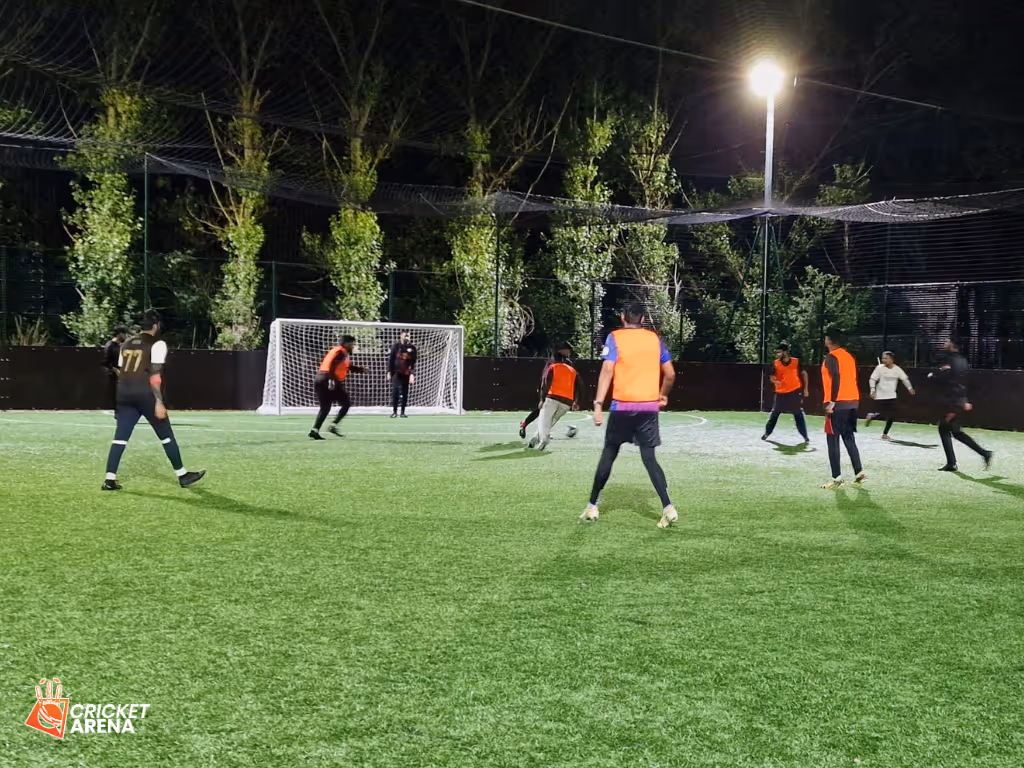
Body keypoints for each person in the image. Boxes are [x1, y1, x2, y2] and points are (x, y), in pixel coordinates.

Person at [583, 303, 678, 529]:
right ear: (643, 318)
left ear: (623, 317)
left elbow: (607, 370)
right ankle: (668, 507)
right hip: (648, 409)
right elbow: (671, 374)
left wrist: (597, 405)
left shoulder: (615, 337)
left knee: (609, 454)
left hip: (622, 408)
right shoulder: (654, 339)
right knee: (649, 459)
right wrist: (663, 395)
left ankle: (592, 506)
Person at [101, 311, 205, 491]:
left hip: (124, 394)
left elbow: (121, 369)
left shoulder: (125, 343)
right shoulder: (157, 344)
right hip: (145, 395)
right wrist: (158, 401)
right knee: (166, 435)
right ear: (156, 325)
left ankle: (109, 479)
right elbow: (155, 375)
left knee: (120, 439)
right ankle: (182, 475)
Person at [929, 338, 992, 472]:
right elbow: (962, 382)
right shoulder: (962, 361)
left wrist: (933, 375)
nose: (943, 344)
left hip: (953, 402)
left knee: (944, 429)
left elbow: (949, 381)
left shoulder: (951, 361)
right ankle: (983, 453)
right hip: (958, 400)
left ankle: (953, 463)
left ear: (952, 344)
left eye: (946, 342)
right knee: (955, 432)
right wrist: (964, 400)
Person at [821, 329, 866, 490]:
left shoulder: (831, 357)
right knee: (848, 438)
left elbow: (836, 377)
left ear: (829, 341)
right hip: (852, 401)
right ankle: (859, 472)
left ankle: (836, 477)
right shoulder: (849, 357)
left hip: (838, 404)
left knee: (832, 440)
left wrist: (832, 401)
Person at [528, 342, 583, 450]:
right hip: (567, 402)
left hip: (552, 398)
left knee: (543, 419)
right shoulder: (572, 369)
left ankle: (543, 439)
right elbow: (580, 386)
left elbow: (545, 383)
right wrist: (577, 401)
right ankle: (535, 437)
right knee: (550, 421)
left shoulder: (552, 366)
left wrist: (542, 399)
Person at [309, 336, 366, 440]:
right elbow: (332, 365)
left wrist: (361, 370)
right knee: (346, 403)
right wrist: (331, 380)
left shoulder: (339, 352)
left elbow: (348, 367)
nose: (353, 346)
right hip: (328, 378)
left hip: (320, 378)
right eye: (352, 344)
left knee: (325, 407)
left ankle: (315, 430)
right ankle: (334, 425)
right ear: (346, 344)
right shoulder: (341, 352)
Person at [761, 343, 809, 443]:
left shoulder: (796, 361)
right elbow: (771, 376)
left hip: (794, 392)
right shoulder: (776, 363)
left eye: (779, 352)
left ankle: (805, 436)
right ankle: (767, 433)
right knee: (775, 414)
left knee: (798, 414)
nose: (777, 354)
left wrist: (805, 389)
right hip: (781, 393)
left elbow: (804, 374)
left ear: (785, 352)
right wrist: (775, 381)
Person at [865, 351, 916, 439]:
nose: (883, 360)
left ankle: (884, 433)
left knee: (892, 415)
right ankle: (872, 416)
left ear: (892, 359)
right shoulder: (879, 368)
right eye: (882, 358)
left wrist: (910, 388)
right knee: (883, 413)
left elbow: (905, 379)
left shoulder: (897, 369)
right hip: (880, 395)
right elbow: (872, 379)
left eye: (885, 358)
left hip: (892, 395)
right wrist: (872, 390)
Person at [388, 331, 417, 418]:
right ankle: (394, 412)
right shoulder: (396, 346)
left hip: (406, 373)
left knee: (405, 393)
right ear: (401, 336)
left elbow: (413, 362)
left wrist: (412, 374)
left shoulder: (412, 348)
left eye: (408, 336)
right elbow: (391, 360)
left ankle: (403, 412)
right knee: (395, 392)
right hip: (396, 372)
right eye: (405, 335)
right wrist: (389, 372)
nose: (407, 337)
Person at [101, 326, 129, 413]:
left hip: (120, 374)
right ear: (119, 334)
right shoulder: (110, 346)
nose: (125, 336)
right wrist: (115, 370)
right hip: (112, 375)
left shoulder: (119, 346)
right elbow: (105, 362)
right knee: (115, 395)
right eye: (124, 334)